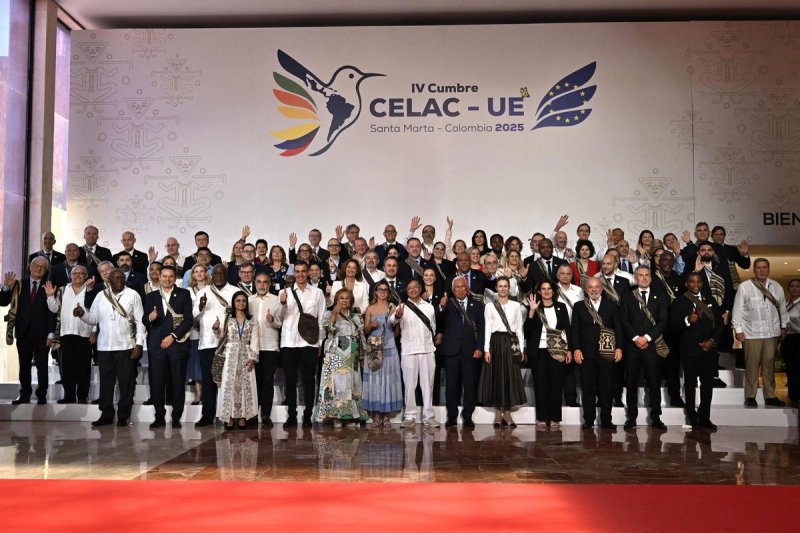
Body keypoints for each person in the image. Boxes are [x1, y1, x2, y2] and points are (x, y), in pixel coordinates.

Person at [75, 268, 145, 426]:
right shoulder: (101, 296)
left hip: (126, 346)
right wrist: (82, 314)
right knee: (106, 383)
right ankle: (106, 414)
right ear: (109, 281)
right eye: (116, 278)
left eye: (122, 278)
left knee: (126, 383)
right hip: (104, 347)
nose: (119, 280)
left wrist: (139, 344)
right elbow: (93, 319)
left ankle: (123, 415)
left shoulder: (133, 295)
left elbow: (140, 321)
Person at [670, 272, 724, 431]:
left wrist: (712, 341)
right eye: (692, 282)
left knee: (707, 384)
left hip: (709, 349)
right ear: (686, 284)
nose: (695, 284)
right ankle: (692, 416)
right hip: (690, 350)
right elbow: (672, 326)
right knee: (690, 384)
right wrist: (687, 320)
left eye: (698, 281)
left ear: (702, 283)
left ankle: (705, 417)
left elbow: (720, 324)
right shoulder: (679, 302)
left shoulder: (710, 299)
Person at [142, 265, 193, 429]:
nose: (167, 279)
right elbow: (144, 320)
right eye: (164, 276)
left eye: (170, 276)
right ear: (159, 276)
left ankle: (176, 417)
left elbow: (188, 320)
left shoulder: (184, 294)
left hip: (177, 344)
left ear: (175, 277)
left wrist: (173, 336)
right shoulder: (151, 296)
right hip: (156, 345)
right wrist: (150, 317)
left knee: (178, 381)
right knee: (157, 382)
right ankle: (159, 417)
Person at [732, 258, 788, 407]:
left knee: (769, 365)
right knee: (752, 365)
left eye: (764, 267)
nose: (762, 270)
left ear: (768, 269)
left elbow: (782, 308)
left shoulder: (776, 286)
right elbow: (737, 310)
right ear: (754, 270)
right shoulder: (745, 287)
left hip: (772, 332)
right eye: (758, 267)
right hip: (751, 333)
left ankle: (770, 396)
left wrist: (783, 326)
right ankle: (750, 396)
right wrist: (738, 330)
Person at [277, 260, 326, 429]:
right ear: (294, 274)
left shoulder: (318, 293)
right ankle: (291, 415)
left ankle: (307, 415)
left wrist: (319, 343)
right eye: (297, 271)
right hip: (289, 342)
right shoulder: (284, 292)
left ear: (308, 273)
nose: (300, 274)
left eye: (303, 271)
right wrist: (282, 304)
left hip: (309, 343)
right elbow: (279, 319)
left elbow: (321, 320)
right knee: (290, 380)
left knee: (308, 380)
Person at [0, 257, 55, 404]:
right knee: (24, 365)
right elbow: (3, 302)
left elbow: (52, 312)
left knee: (42, 366)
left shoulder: (49, 286)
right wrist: (6, 287)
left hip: (42, 333)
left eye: (42, 267)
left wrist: (51, 333)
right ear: (30, 267)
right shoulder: (18, 284)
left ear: (46, 270)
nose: (39, 268)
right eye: (36, 265)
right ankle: (24, 394)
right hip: (23, 332)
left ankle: (41, 395)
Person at [621, 265, 669, 431]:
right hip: (632, 345)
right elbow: (623, 320)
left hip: (652, 345)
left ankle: (656, 417)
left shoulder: (660, 295)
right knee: (631, 382)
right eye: (640, 275)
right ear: (635, 278)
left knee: (654, 382)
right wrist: (636, 338)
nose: (644, 278)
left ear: (650, 277)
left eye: (646, 275)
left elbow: (663, 320)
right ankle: (631, 418)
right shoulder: (627, 295)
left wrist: (647, 337)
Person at [571, 277, 624, 430]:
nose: (594, 289)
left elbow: (618, 328)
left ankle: (606, 420)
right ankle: (588, 420)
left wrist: (619, 347)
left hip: (606, 352)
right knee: (588, 388)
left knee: (606, 387)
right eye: (591, 287)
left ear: (602, 289)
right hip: (586, 353)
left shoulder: (611, 305)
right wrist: (576, 349)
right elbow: (575, 330)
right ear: (586, 289)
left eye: (597, 287)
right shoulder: (579, 306)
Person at [193, 263, 238, 427]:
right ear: (211, 275)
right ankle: (207, 415)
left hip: (229, 343)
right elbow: (194, 318)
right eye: (216, 273)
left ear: (226, 275)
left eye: (221, 273)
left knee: (229, 379)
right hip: (207, 343)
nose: (218, 276)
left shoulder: (234, 291)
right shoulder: (203, 292)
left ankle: (229, 415)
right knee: (208, 379)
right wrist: (200, 307)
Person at [478, 277, 527, 427]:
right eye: (500, 286)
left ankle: (507, 412)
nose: (503, 289)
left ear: (509, 288)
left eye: (505, 286)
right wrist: (486, 350)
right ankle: (499, 413)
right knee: (497, 376)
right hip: (495, 343)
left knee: (510, 376)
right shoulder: (489, 306)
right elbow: (487, 329)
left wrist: (521, 349)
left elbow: (519, 329)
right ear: (496, 288)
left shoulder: (516, 306)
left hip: (511, 343)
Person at [315, 288, 368, 427]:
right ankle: (336, 416)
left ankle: (349, 416)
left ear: (351, 301)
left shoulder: (357, 317)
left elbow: (362, 336)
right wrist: (334, 312)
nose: (344, 300)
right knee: (337, 385)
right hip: (336, 354)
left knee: (352, 385)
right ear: (336, 300)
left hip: (353, 355)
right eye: (341, 298)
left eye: (347, 298)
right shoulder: (329, 314)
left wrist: (363, 355)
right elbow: (328, 328)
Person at [390, 279, 439, 429]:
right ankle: (410, 417)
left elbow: (433, 327)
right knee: (410, 386)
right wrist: (397, 316)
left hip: (427, 350)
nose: (413, 290)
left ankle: (429, 417)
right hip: (409, 351)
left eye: (415, 287)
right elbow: (392, 321)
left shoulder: (429, 307)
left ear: (420, 288)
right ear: (407, 291)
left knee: (428, 385)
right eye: (410, 288)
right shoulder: (402, 307)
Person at [437, 277, 485, 429]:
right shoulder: (448, 304)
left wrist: (480, 348)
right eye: (457, 287)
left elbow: (482, 329)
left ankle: (468, 416)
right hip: (451, 351)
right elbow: (438, 321)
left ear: (467, 288)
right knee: (451, 386)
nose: (460, 289)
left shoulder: (477, 305)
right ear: (452, 290)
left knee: (470, 386)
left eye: (462, 286)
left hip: (470, 352)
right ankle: (451, 417)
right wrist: (441, 306)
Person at [524, 280, 572, 430]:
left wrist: (569, 350)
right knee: (540, 385)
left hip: (557, 350)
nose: (546, 291)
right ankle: (542, 418)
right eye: (543, 289)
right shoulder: (534, 307)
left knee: (556, 384)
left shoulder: (561, 307)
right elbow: (527, 331)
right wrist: (532, 312)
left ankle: (555, 418)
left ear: (553, 291)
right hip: (539, 351)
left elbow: (567, 329)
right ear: (539, 292)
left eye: (549, 288)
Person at [44, 266, 93, 404]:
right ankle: (69, 396)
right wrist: (50, 296)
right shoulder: (62, 290)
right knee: (66, 368)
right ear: (70, 275)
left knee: (84, 368)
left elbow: (95, 312)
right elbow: (54, 309)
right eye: (74, 273)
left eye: (81, 273)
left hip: (85, 334)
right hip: (65, 334)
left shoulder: (90, 289)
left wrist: (94, 331)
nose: (77, 275)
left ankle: (82, 396)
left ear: (86, 275)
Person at [214, 291, 260, 430]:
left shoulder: (252, 320)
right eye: (238, 301)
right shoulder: (227, 318)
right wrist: (216, 328)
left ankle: (242, 417)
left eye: (243, 301)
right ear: (234, 303)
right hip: (229, 355)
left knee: (245, 386)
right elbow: (221, 336)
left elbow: (255, 339)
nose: (241, 303)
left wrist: (253, 358)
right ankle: (228, 417)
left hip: (246, 354)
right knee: (229, 385)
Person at [362, 280, 403, 426]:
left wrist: (395, 326)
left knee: (388, 380)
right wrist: (371, 326)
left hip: (389, 346)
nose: (383, 292)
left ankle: (386, 415)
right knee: (375, 380)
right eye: (380, 289)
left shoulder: (393, 308)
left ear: (389, 292)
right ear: (375, 291)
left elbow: (397, 332)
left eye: (386, 290)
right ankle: (376, 414)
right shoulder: (370, 308)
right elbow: (365, 331)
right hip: (374, 345)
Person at [651, 250, 685, 407]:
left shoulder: (678, 278)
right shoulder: (651, 278)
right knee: (654, 364)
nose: (667, 263)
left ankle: (675, 396)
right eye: (664, 260)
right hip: (655, 327)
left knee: (673, 364)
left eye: (670, 260)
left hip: (674, 328)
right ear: (659, 261)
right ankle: (654, 399)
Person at [249, 273, 282, 427]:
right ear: (255, 283)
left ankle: (266, 415)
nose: (262, 285)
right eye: (259, 282)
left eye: (265, 282)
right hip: (252, 348)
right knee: (254, 382)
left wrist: (272, 320)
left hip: (270, 347)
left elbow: (280, 323)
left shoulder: (276, 300)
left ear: (269, 284)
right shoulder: (249, 300)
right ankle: (253, 414)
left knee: (268, 382)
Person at [556, 263, 583, 407]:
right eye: (562, 273)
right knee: (557, 364)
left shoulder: (579, 290)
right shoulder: (552, 289)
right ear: (557, 275)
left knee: (570, 365)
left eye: (568, 274)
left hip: (575, 329)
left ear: (572, 276)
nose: (565, 276)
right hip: (557, 330)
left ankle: (571, 398)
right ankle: (555, 398)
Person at [186, 263, 208, 405]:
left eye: (202, 271)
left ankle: (208, 393)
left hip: (209, 331)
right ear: (193, 275)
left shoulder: (211, 289)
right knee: (196, 362)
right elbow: (185, 309)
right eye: (196, 271)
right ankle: (198, 394)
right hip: (193, 330)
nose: (199, 273)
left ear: (206, 273)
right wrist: (192, 321)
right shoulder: (188, 291)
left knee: (206, 362)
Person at [784, 279, 800, 407]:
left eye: (797, 286)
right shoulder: (785, 304)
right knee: (790, 369)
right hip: (788, 339)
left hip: (799, 338)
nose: (794, 289)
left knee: (797, 369)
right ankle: (792, 396)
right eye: (792, 286)